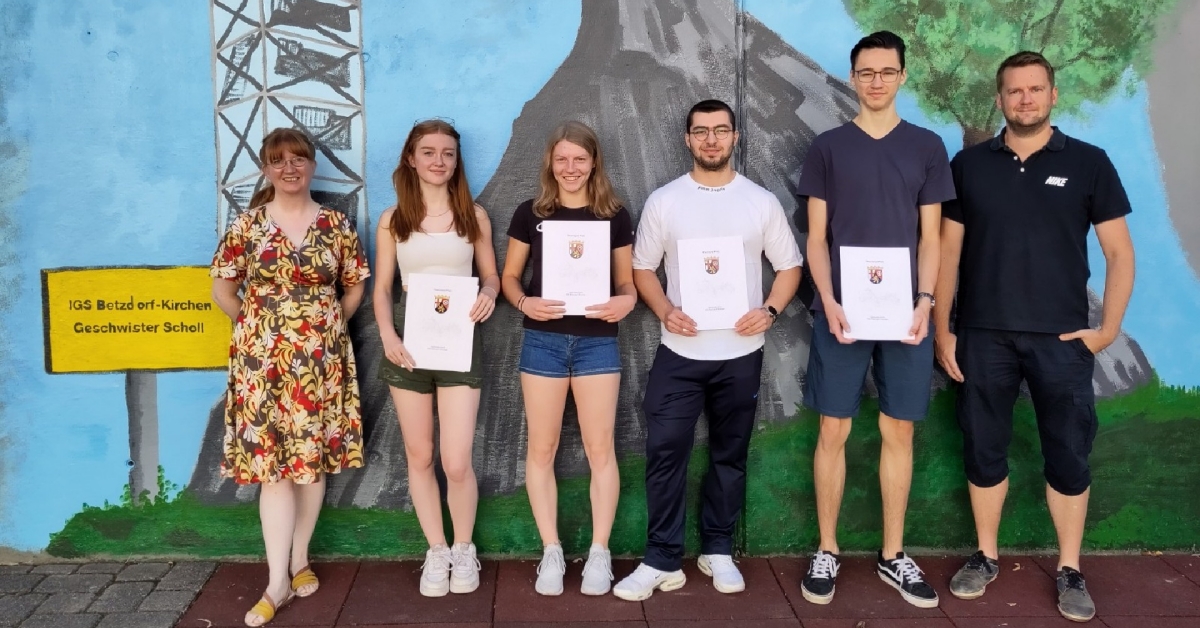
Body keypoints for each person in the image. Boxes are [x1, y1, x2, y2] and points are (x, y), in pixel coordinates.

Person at [934, 51, 1135, 623]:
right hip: (982, 335)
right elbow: (948, 251)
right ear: (999, 99)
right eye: (1014, 91)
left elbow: (1120, 254)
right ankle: (986, 555)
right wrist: (946, 330)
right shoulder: (968, 165)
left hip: (1061, 340)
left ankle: (1070, 567)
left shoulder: (1091, 163)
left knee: (1068, 453)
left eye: (1035, 89)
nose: (1025, 99)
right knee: (982, 448)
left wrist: (1107, 331)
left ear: (1053, 96)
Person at [613, 99, 802, 601]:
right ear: (688, 139)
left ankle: (717, 549)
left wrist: (770, 311)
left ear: (735, 137)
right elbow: (641, 269)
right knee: (664, 451)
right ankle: (660, 558)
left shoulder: (758, 201)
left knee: (729, 453)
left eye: (721, 131)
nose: (712, 140)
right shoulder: (665, 201)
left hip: (741, 352)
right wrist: (663, 309)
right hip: (679, 352)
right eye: (702, 132)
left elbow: (789, 268)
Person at [796, 31, 953, 609]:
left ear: (902, 76)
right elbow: (816, 240)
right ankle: (828, 549)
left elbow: (930, 238)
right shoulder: (828, 147)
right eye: (867, 72)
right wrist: (830, 300)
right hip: (842, 315)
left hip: (907, 315)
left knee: (899, 431)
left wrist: (926, 301)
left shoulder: (927, 147)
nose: (877, 81)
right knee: (832, 429)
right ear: (853, 77)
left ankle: (893, 555)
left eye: (887, 71)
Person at [210, 128, 370, 627]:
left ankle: (300, 558)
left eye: (298, 158)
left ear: (312, 165)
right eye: (278, 161)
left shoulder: (337, 225)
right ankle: (277, 581)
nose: (290, 168)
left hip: (321, 363)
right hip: (263, 366)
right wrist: (263, 328)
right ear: (265, 169)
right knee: (274, 470)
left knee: (311, 463)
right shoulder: (248, 226)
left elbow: (353, 288)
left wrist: (322, 329)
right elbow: (223, 290)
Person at [500, 120, 637, 596]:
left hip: (598, 340)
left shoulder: (614, 215)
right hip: (543, 341)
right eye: (562, 159)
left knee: (601, 448)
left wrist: (626, 301)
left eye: (580, 159)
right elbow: (509, 278)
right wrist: (523, 303)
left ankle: (599, 552)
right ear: (550, 163)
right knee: (542, 448)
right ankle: (552, 551)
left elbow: (626, 284)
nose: (571, 168)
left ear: (593, 162)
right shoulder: (530, 213)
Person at [373, 120, 499, 597]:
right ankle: (437, 550)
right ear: (411, 158)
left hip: (461, 347)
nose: (438, 161)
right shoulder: (392, 221)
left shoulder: (474, 217)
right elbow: (382, 289)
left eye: (447, 153)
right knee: (420, 454)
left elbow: (490, 276)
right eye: (428, 152)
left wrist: (488, 294)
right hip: (408, 350)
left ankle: (464, 548)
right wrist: (387, 333)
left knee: (456, 459)